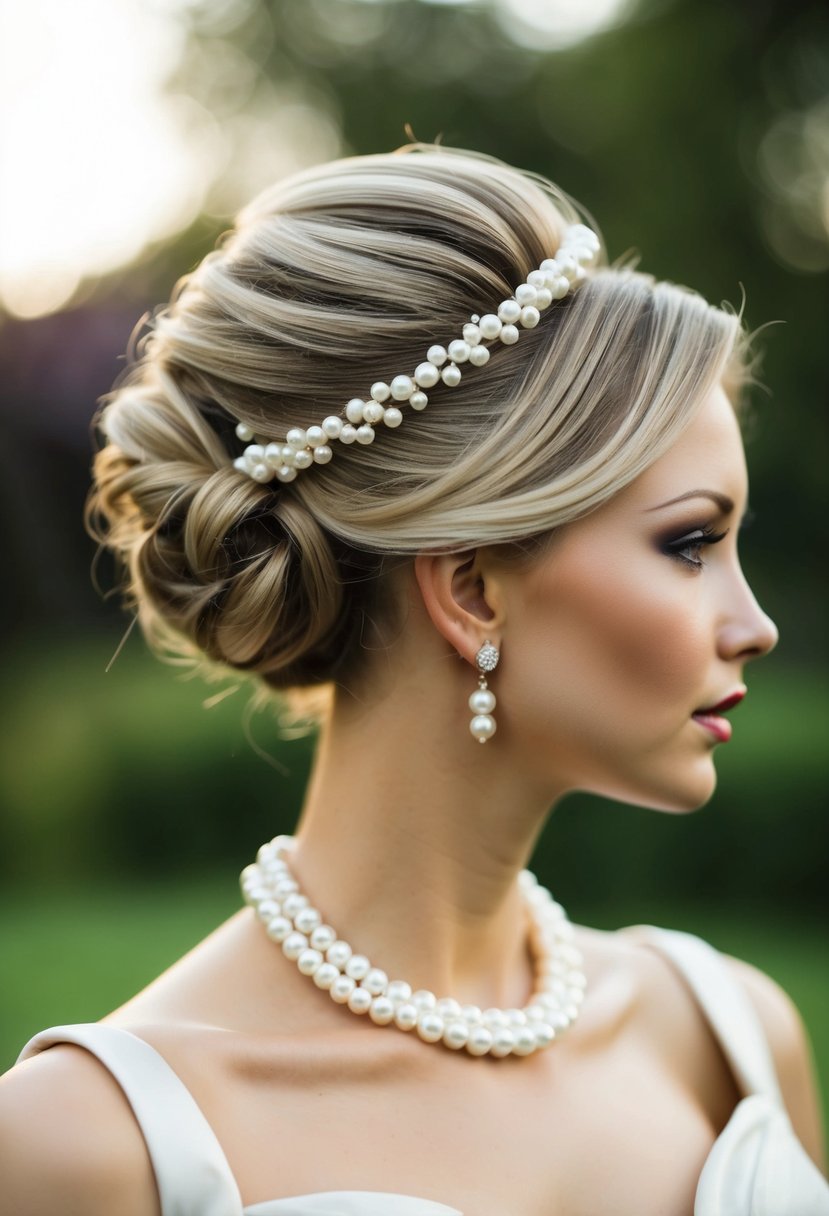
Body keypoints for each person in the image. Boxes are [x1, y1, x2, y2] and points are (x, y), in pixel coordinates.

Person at [0, 143, 826, 1216]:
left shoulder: (731, 1035)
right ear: (474, 590)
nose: (751, 625)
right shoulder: (85, 1145)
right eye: (688, 544)